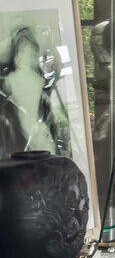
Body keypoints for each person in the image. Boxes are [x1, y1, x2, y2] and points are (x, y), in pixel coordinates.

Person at [0, 24, 72, 159]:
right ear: (16, 53)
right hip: (16, 147)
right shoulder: (7, 88)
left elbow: (50, 125)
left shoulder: (41, 89)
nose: (25, 54)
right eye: (22, 49)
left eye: (29, 50)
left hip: (41, 147)